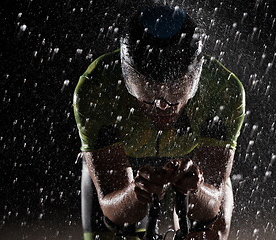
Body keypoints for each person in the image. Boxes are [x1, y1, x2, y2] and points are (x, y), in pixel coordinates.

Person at [73, 5, 245, 240]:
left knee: (209, 231)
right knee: (119, 223)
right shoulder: (96, 88)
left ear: (194, 80)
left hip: (190, 163)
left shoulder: (223, 91)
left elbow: (210, 204)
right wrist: (135, 194)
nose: (162, 105)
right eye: (148, 90)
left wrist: (195, 188)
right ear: (128, 78)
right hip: (125, 163)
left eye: (175, 92)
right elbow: (113, 209)